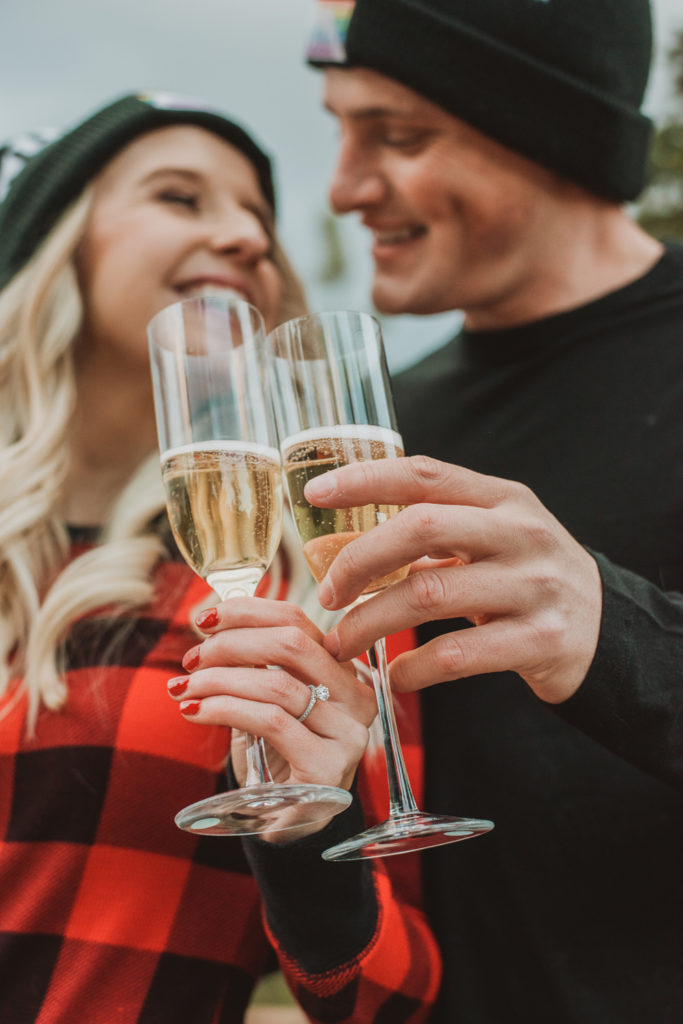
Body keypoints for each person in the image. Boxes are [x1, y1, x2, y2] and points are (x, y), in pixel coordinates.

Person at [0, 92, 440, 1023]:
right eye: (181, 197)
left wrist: (307, 832)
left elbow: (389, 998)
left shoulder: (312, 595)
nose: (244, 235)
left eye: (259, 217)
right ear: (57, 247)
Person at [294, 0, 683, 1021]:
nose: (341, 189)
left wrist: (613, 634)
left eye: (399, 135)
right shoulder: (388, 430)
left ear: (548, 128)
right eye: (337, 128)